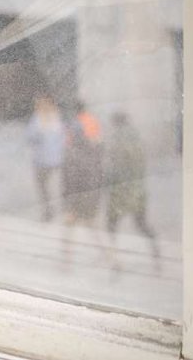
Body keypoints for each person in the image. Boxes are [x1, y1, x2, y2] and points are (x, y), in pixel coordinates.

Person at [104, 111, 161, 271]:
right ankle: (156, 255)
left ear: (116, 123)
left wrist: (106, 183)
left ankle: (115, 261)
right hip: (138, 192)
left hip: (121, 192)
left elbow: (115, 170)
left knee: (111, 225)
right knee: (142, 225)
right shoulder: (137, 139)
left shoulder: (118, 141)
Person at [60, 98, 106, 261]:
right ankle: (108, 257)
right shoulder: (92, 122)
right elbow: (99, 144)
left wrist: (67, 199)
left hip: (78, 194)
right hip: (90, 190)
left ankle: (67, 259)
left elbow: (70, 178)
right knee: (91, 225)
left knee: (72, 226)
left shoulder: (74, 127)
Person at [26, 93, 66, 222]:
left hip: (42, 160)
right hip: (57, 160)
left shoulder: (37, 119)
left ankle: (48, 210)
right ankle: (59, 209)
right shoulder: (56, 119)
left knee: (42, 186)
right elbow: (63, 138)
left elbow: (31, 137)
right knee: (51, 185)